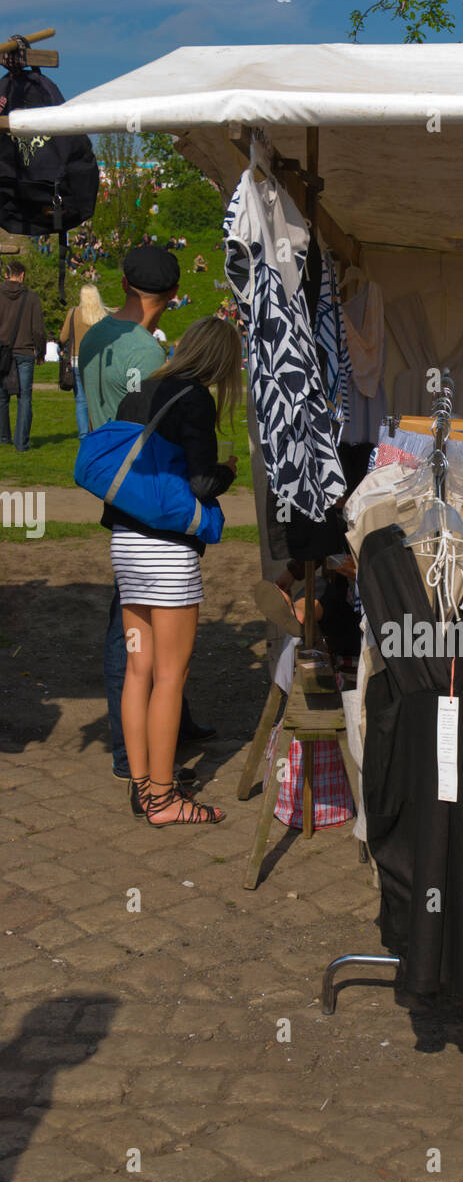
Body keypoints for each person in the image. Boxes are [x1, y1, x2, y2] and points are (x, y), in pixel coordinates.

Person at [79, 245, 214, 788]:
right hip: (141, 491)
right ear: (174, 295)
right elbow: (149, 425)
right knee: (132, 635)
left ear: (123, 281)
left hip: (110, 474)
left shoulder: (97, 334)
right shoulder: (144, 354)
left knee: (140, 629)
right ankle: (128, 752)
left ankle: (171, 722)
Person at [111, 317, 241, 825]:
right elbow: (202, 482)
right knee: (171, 674)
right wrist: (228, 473)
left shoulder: (138, 392)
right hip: (167, 550)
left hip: (126, 542)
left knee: (138, 667)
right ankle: (164, 799)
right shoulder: (194, 399)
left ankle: (143, 783)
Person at [0, 261, 46, 452]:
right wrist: (41, 351)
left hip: (2, 351)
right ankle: (21, 443)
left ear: (6, 274)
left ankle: (3, 437)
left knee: (2, 397)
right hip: (25, 351)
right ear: (22, 275)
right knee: (24, 397)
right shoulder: (32, 298)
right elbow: (38, 330)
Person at [60, 283, 108, 439]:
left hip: (76, 360)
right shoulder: (103, 315)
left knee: (81, 400)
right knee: (97, 399)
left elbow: (63, 337)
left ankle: (83, 434)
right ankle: (98, 430)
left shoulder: (73, 313)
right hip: (96, 361)